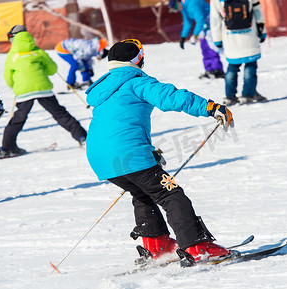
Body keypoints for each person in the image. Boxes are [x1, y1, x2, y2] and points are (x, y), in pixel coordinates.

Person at [85, 39, 235, 262]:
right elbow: (172, 97)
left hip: (100, 159)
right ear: (138, 59)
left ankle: (158, 244)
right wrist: (210, 107)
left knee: (142, 192)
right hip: (129, 155)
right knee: (171, 194)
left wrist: (146, 153)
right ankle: (196, 247)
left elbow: (117, 126)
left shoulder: (104, 90)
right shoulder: (135, 81)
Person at [0, 25, 88, 158]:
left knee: (18, 118)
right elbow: (52, 69)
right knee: (60, 114)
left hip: (24, 90)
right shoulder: (37, 51)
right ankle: (82, 137)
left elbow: (8, 77)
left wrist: (16, 86)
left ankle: (7, 147)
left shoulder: (12, 54)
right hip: (42, 88)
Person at [210, 0, 267, 105]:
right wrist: (262, 31)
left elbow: (215, 19)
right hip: (250, 36)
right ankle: (248, 95)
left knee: (232, 68)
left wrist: (217, 39)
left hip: (230, 38)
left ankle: (230, 96)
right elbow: (257, 11)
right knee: (250, 66)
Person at [178, 0, 225, 79]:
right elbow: (188, 22)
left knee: (211, 48)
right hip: (203, 28)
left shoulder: (193, 3)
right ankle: (209, 69)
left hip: (210, 25)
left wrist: (195, 35)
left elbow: (200, 20)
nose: (177, 9)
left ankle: (217, 70)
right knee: (204, 48)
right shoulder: (183, 6)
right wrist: (183, 37)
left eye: (175, 7)